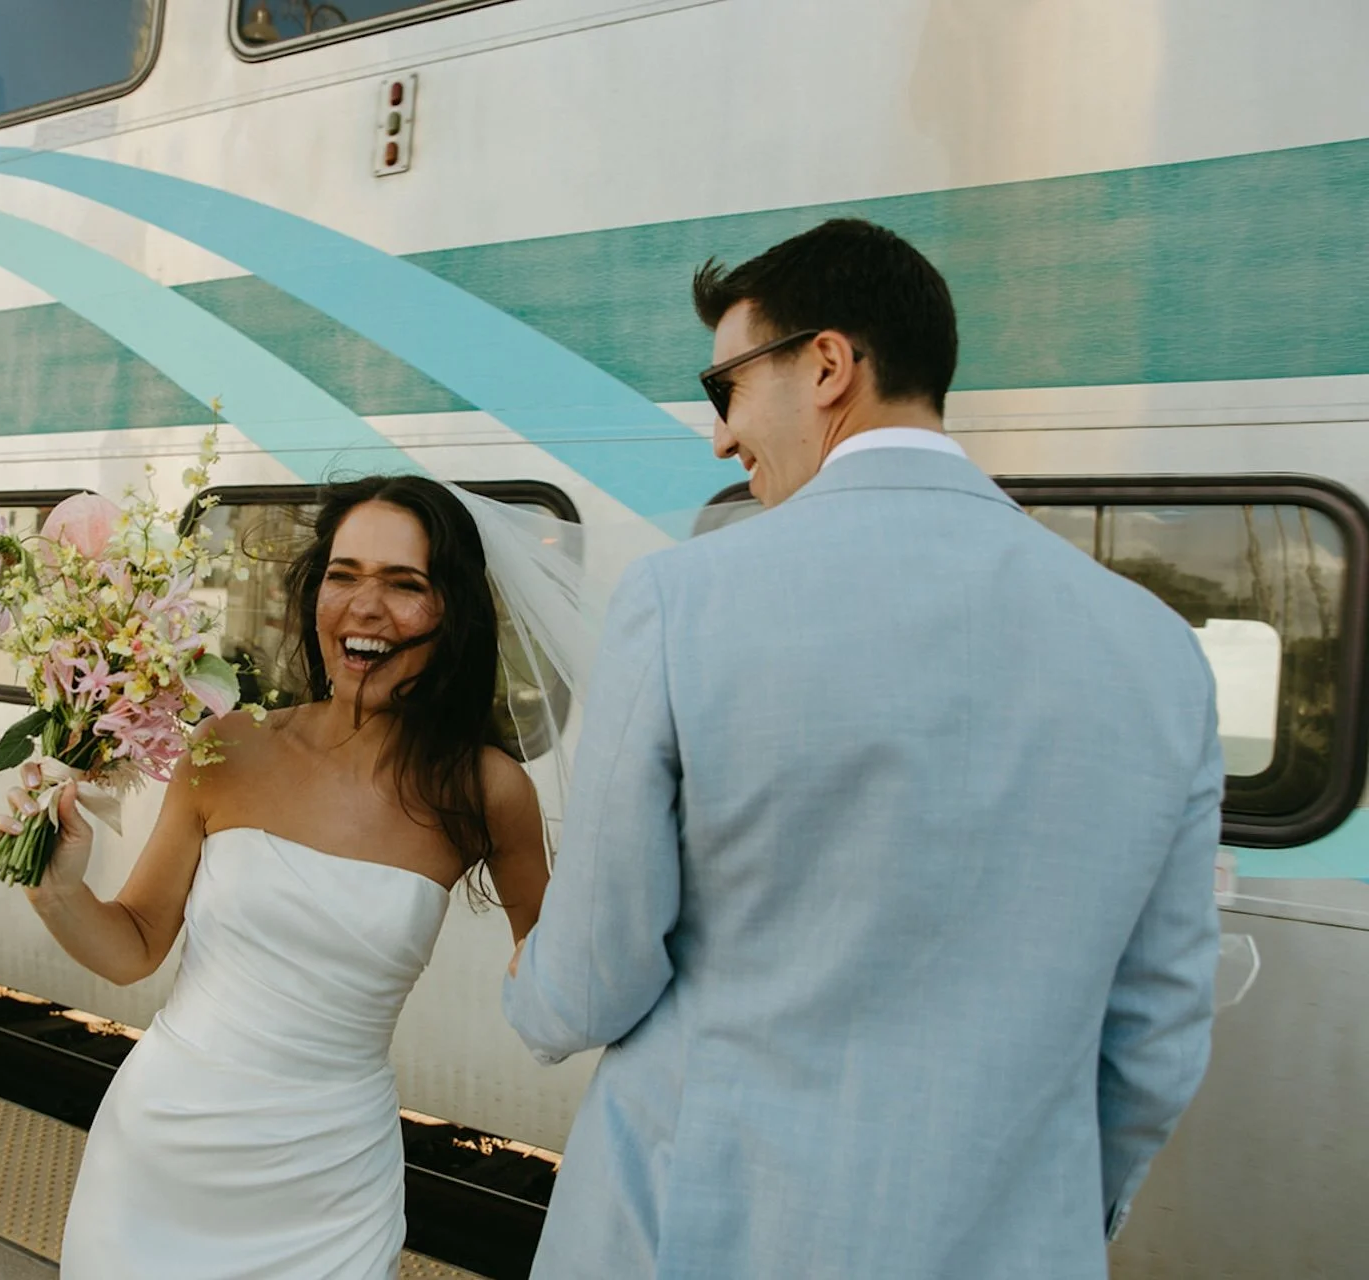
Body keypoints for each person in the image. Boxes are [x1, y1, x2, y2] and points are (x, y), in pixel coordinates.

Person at [503, 218, 1223, 1279]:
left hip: (701, 1227)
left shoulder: (686, 598)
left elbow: (599, 971)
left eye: (726, 390)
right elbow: (1158, 1030)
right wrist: (1054, 1207)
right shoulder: (1160, 651)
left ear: (829, 364)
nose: (719, 438)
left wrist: (534, 986)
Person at [0, 474, 547, 1279]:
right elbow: (135, 947)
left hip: (330, 1190)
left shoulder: (487, 790)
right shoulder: (226, 747)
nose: (365, 606)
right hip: (161, 1161)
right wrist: (57, 888)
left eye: (405, 585)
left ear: (452, 614)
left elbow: (556, 971)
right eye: (344, 575)